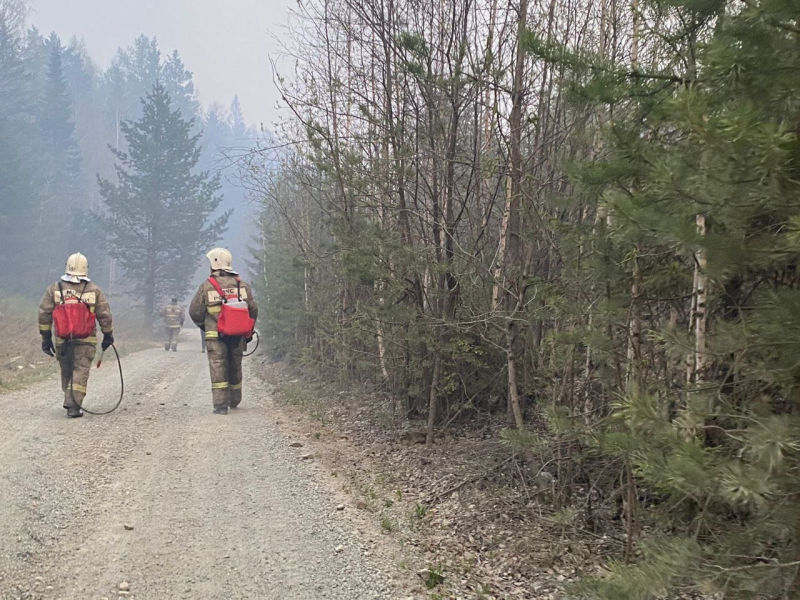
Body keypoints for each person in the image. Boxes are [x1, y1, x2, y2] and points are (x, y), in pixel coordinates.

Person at [38, 252, 114, 418]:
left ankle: (70, 399)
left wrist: (46, 338)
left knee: (67, 369)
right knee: (80, 369)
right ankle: (73, 404)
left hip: (62, 339)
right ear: (85, 268)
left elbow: (44, 313)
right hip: (86, 340)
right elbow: (104, 315)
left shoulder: (55, 288)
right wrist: (108, 335)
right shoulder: (93, 289)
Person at [189, 248, 258, 414]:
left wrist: (206, 326)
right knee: (235, 365)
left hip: (215, 336)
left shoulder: (207, 286)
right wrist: (247, 330)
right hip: (238, 335)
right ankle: (235, 399)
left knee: (218, 366)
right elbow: (253, 310)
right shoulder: (242, 285)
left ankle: (220, 405)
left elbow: (195, 311)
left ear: (214, 263)